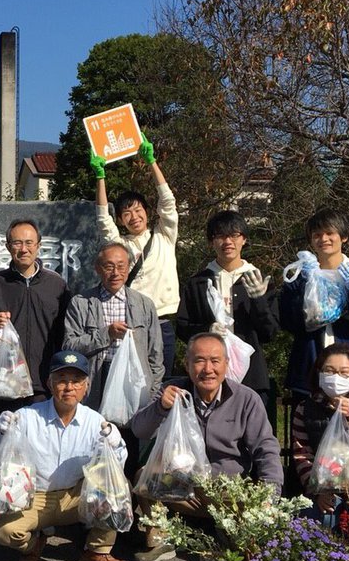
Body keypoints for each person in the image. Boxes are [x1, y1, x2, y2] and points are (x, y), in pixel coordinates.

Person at [129, 332, 282, 561]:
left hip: (228, 492)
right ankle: (161, 539)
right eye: (199, 360)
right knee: (145, 477)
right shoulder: (172, 391)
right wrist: (161, 407)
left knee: (242, 554)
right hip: (185, 488)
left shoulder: (246, 399)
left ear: (227, 364)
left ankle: (227, 532)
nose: (207, 369)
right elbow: (140, 429)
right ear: (187, 364)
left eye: (215, 361)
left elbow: (266, 448)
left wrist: (270, 496)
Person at [0, 350, 128, 561]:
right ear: (49, 383)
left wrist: (116, 444)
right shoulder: (26, 416)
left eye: (76, 381)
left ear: (86, 386)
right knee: (3, 531)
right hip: (34, 497)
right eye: (61, 380)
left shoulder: (95, 421)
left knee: (117, 489)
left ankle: (97, 550)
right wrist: (1, 437)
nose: (69, 387)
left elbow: (114, 469)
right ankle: (34, 544)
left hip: (75, 497)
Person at [63, 242, 163, 477]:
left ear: (129, 268)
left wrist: (153, 391)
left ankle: (128, 502)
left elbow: (155, 355)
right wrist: (105, 334)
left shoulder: (144, 304)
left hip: (133, 382)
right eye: (108, 266)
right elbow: (69, 346)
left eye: (121, 266)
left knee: (129, 442)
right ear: (97, 268)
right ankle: (94, 503)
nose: (115, 273)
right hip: (96, 379)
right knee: (95, 439)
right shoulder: (81, 303)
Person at [90, 136, 180, 379]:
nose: (134, 216)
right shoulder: (122, 246)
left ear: (147, 212)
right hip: (133, 324)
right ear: (121, 220)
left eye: (138, 210)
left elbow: (168, 203)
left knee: (161, 385)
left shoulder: (164, 235)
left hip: (162, 323)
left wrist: (151, 162)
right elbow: (102, 221)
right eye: (126, 213)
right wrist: (100, 177)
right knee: (129, 385)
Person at [177, 210, 279, 417]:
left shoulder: (257, 280)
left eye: (234, 235)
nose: (227, 241)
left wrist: (258, 299)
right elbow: (182, 326)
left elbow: (269, 333)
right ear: (211, 242)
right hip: (209, 374)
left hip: (251, 375)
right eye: (220, 236)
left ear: (244, 240)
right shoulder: (198, 283)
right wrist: (207, 330)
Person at [0, 218, 71, 428]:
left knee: (41, 449)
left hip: (43, 384)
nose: (23, 249)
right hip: (6, 384)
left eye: (29, 243)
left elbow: (66, 334)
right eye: (17, 243)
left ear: (38, 246)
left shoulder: (57, 285)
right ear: (8, 247)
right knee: (3, 447)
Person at [279, 208, 349, 396]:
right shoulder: (300, 277)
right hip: (309, 370)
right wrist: (305, 287)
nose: (323, 239)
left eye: (330, 233)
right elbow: (288, 323)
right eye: (317, 235)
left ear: (343, 237)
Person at [289, 343, 349, 518]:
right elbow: (302, 456)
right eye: (329, 371)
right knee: (316, 516)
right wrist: (317, 491)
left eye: (344, 372)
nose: (336, 377)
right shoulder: (305, 409)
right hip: (324, 488)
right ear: (319, 373)